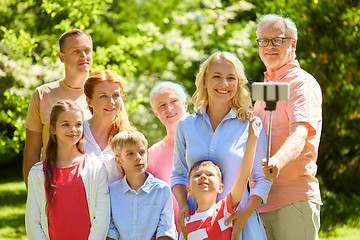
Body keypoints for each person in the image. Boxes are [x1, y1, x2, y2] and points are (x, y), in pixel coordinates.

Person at [170, 51, 272, 240]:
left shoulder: (251, 126)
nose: (224, 84)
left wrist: (245, 214)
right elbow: (178, 173)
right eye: (217, 77)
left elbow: (263, 179)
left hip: (239, 223)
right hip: (196, 224)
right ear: (205, 81)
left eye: (231, 78)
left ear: (238, 84)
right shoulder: (186, 125)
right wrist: (183, 205)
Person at [253, 14, 322, 240]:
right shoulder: (266, 86)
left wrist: (277, 162)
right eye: (263, 40)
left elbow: (300, 131)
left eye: (277, 40)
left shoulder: (300, 83)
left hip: (292, 201)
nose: (269, 46)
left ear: (292, 43)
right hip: (260, 201)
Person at [25, 100, 110, 240]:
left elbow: (101, 219)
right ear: (53, 129)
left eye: (78, 124)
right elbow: (33, 222)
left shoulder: (95, 167)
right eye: (65, 124)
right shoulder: (38, 173)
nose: (73, 129)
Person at [23, 29, 93, 186]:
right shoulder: (42, 94)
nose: (84, 56)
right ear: (62, 57)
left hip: (96, 186)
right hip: (54, 185)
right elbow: (32, 151)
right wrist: (33, 193)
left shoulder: (104, 93)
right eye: (76, 51)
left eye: (87, 50)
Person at [185, 112, 261, 239]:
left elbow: (243, 176)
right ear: (189, 189)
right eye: (197, 175)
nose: (203, 177)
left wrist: (252, 139)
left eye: (209, 174)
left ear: (221, 187)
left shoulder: (224, 210)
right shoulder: (187, 221)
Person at [107, 130, 177, 240]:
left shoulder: (162, 190)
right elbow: (111, 230)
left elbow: (166, 229)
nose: (138, 157)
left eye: (142, 152)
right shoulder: (112, 191)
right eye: (130, 154)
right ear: (119, 160)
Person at [147, 81, 188, 235]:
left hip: (209, 230)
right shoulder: (151, 155)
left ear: (184, 103)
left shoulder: (204, 140)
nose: (169, 108)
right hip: (171, 234)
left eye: (173, 101)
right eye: (162, 105)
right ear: (156, 113)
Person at [84, 69, 131, 184]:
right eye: (103, 96)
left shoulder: (129, 136)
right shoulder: (77, 132)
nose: (111, 102)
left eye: (115, 95)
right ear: (89, 101)